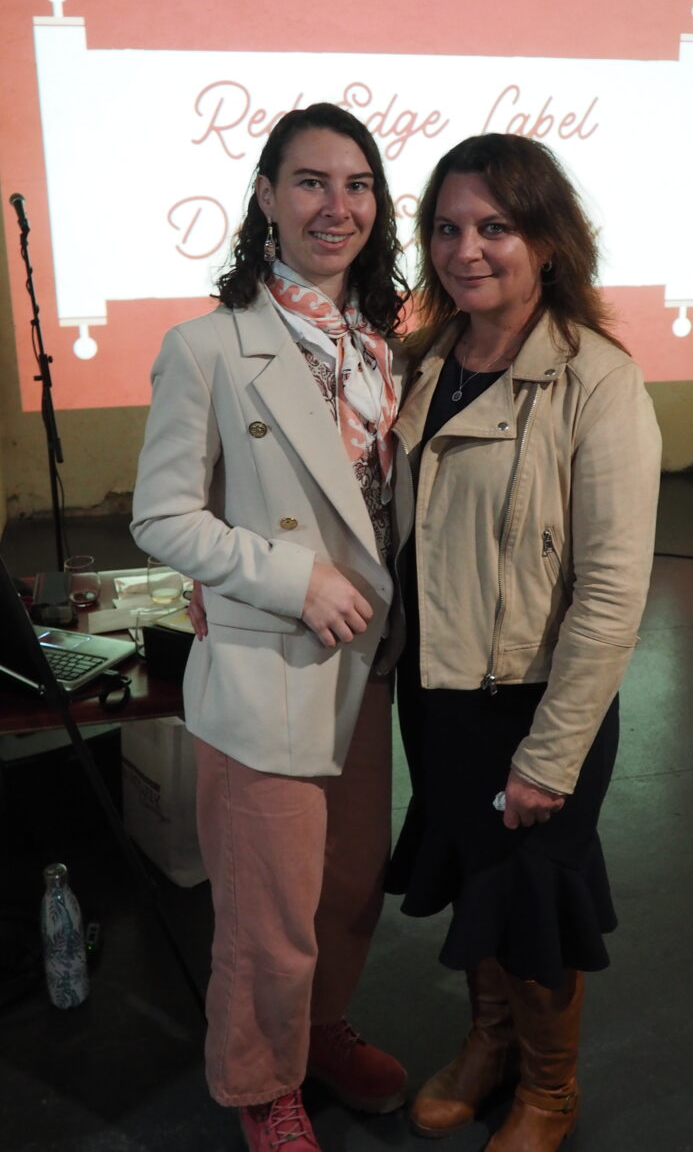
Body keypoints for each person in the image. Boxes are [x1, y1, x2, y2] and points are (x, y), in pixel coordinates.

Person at [131, 103, 411, 1152]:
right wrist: (290, 579)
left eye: (357, 185)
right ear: (264, 198)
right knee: (265, 913)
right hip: (270, 660)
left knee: (344, 888)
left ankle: (318, 1031)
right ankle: (260, 1082)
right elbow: (161, 516)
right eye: (309, 182)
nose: (335, 207)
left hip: (366, 666)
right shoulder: (207, 347)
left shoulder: (385, 348)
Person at [387, 133, 661, 1151]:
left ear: (546, 240)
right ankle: (489, 1042)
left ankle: (550, 1087)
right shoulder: (427, 362)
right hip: (441, 689)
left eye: (495, 226)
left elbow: (612, 593)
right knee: (472, 874)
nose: (468, 250)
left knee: (536, 897)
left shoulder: (597, 381)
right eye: (448, 228)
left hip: (536, 699)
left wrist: (552, 753)